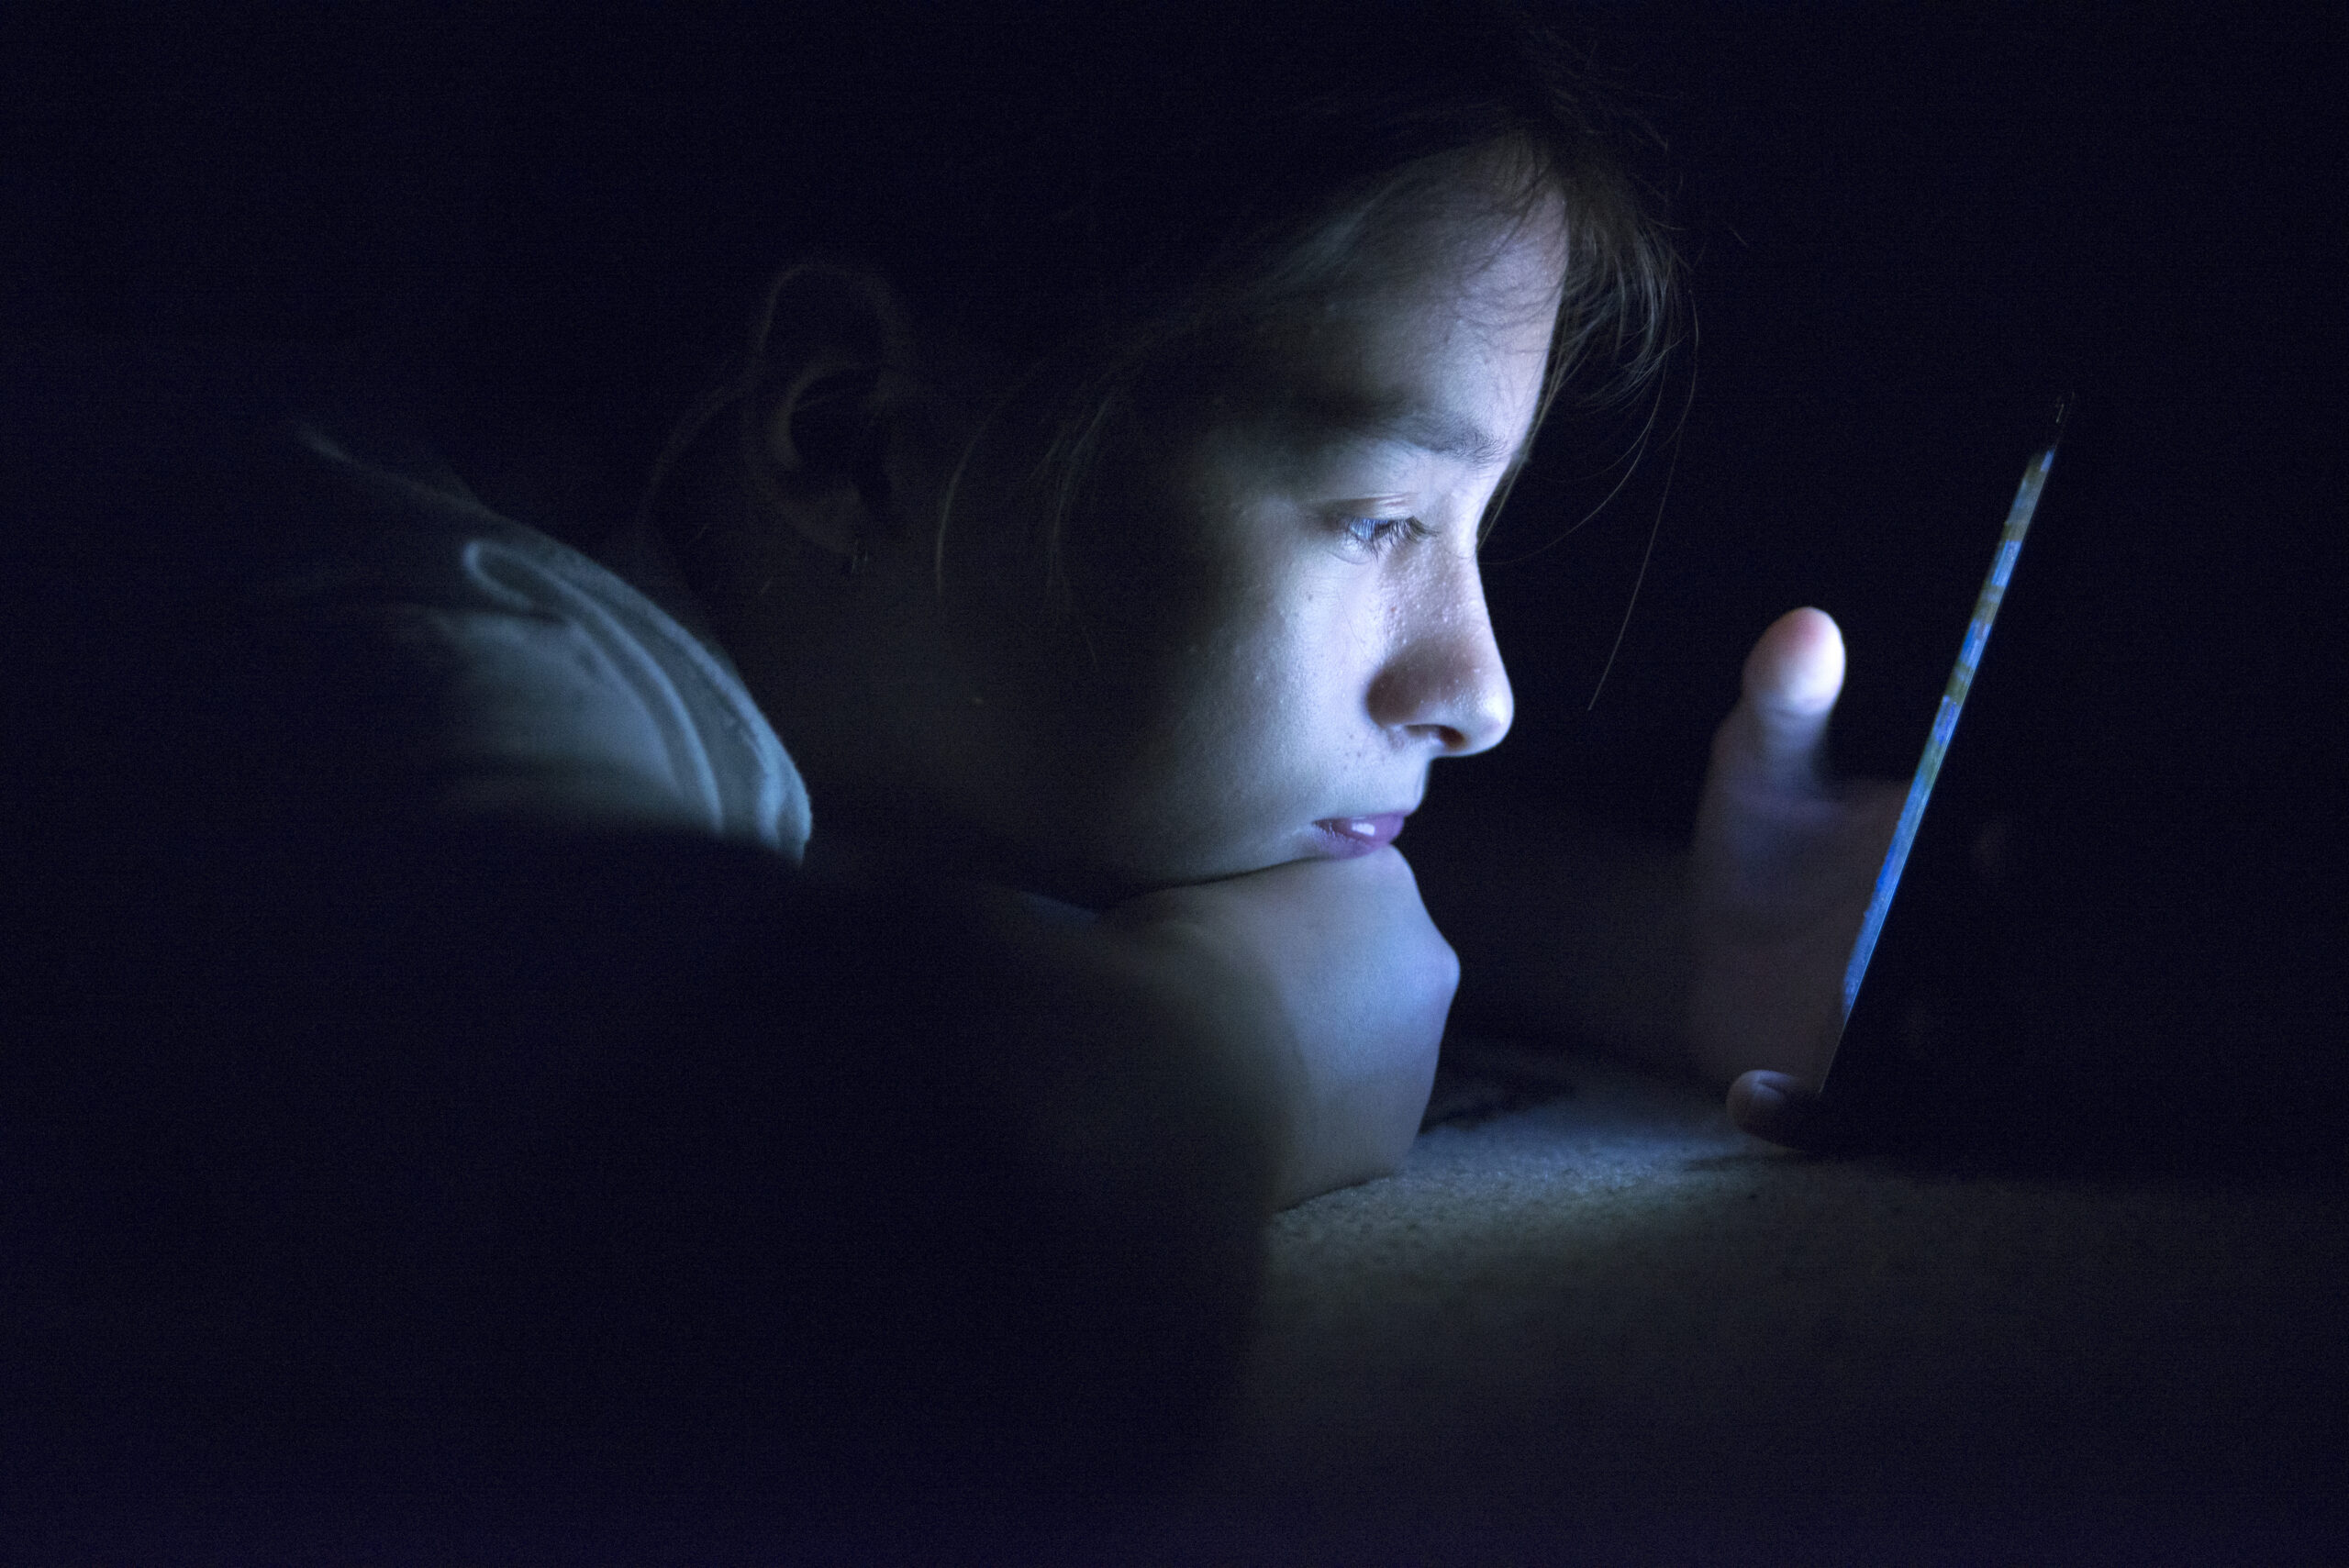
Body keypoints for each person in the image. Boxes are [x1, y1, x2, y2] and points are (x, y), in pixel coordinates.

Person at [0, 0, 1899, 1511]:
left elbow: (1015, 844)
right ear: (854, 437)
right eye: (1373, 516)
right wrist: (1225, 1045)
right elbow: (923, 1236)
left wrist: (1669, 956)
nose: (1475, 686)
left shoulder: (771, 638)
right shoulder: (400, 651)